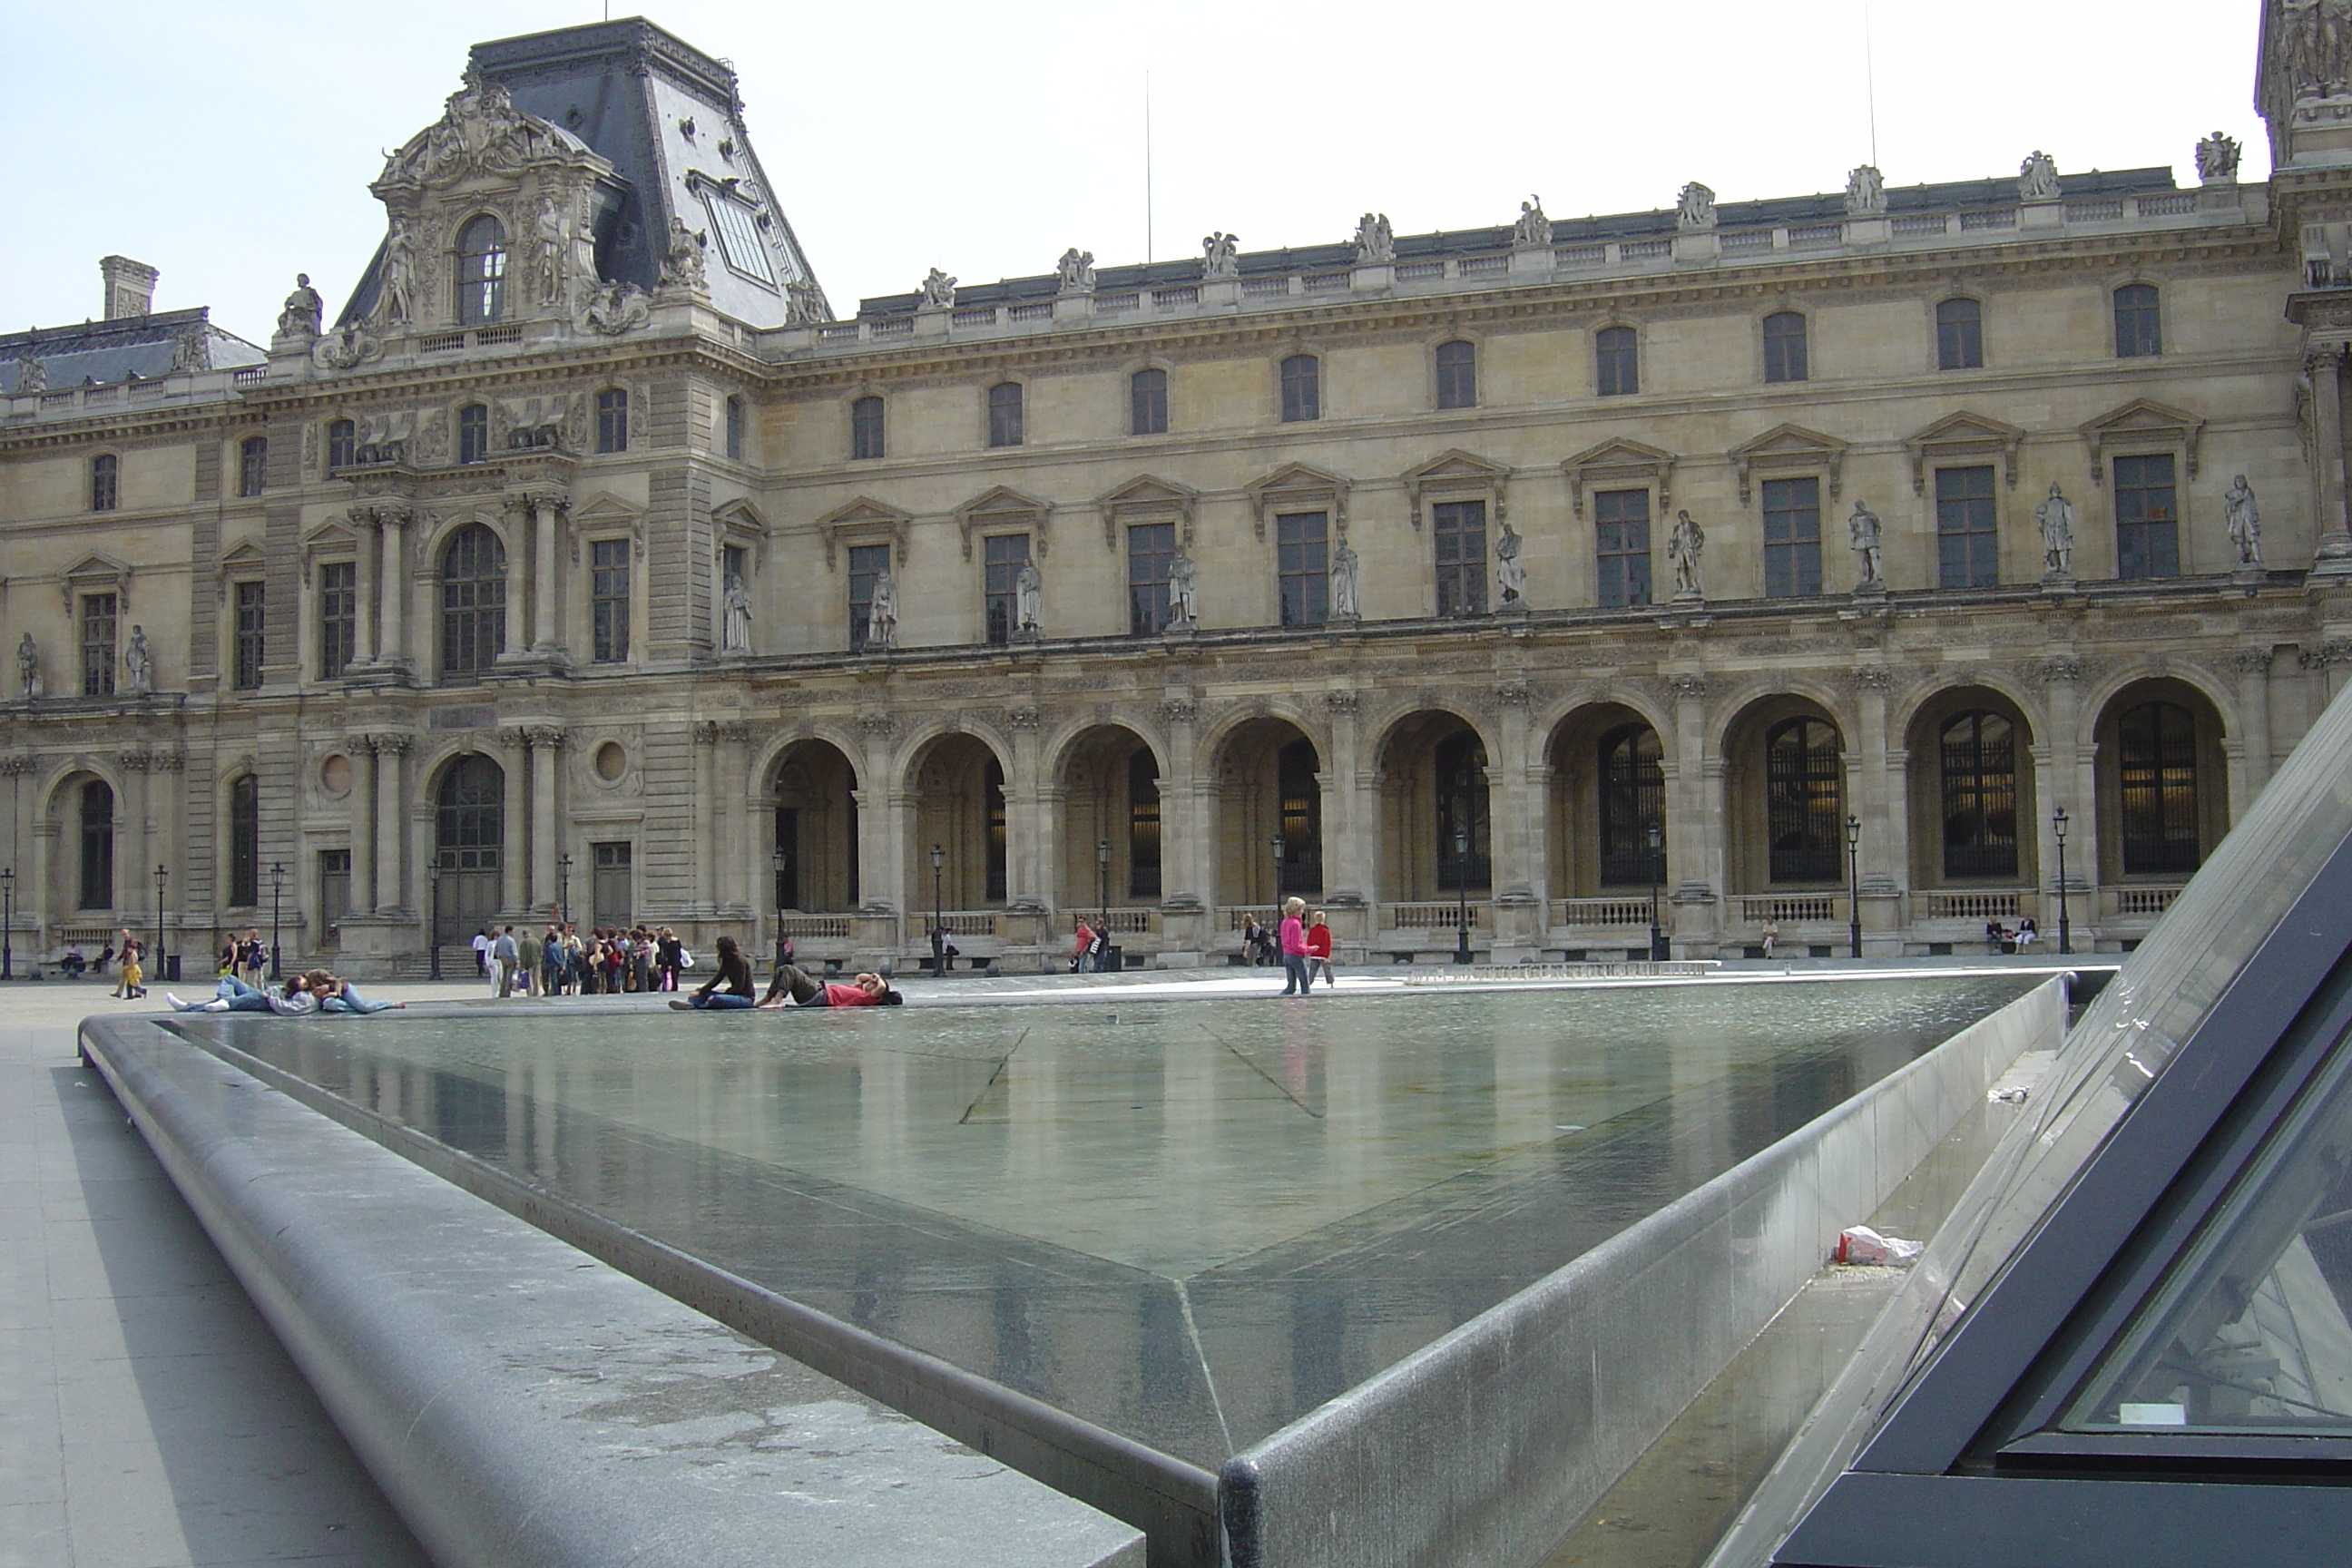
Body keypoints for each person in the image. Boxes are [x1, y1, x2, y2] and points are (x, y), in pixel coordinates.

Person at [756, 964, 904, 1008]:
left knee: (789, 970)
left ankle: (776, 1000)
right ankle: (768, 998)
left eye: (873, 984)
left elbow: (882, 987)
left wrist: (878, 978)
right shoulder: (859, 989)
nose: (870, 982)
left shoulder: (870, 998)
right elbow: (859, 976)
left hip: (821, 995)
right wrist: (871, 976)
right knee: (782, 970)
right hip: (819, 992)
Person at [671, 935, 757, 1009]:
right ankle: (691, 1003)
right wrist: (700, 991)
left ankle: (700, 1005)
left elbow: (739, 987)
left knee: (717, 999)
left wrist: (724, 995)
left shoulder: (740, 962)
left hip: (745, 998)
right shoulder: (727, 962)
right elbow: (716, 979)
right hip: (732, 995)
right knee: (704, 993)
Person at [167, 974, 319, 1015]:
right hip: (262, 993)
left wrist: (271, 998)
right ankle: (224, 1001)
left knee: (230, 1003)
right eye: (302, 979)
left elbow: (290, 1009)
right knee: (230, 979)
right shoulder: (297, 989)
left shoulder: (307, 998)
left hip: (264, 1000)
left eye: (304, 984)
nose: (301, 981)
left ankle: (188, 1007)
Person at [307, 970, 407, 1014]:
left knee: (364, 1007)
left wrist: (335, 993)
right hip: (336, 1000)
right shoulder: (310, 987)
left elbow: (339, 982)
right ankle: (355, 1007)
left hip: (345, 990)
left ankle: (388, 1004)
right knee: (329, 1003)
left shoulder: (333, 982)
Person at [1278, 897, 1310, 995]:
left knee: (1291, 987)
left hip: (1287, 956)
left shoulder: (1284, 922)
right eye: (1300, 909)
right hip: (1296, 956)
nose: (1302, 911)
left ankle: (1280, 1002)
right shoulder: (1296, 924)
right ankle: (1306, 1008)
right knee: (1305, 987)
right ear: (1295, 910)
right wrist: (1309, 949)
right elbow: (1296, 945)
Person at [1305, 909, 1336, 989]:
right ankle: (1331, 983)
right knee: (1327, 970)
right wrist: (1327, 956)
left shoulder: (1312, 930)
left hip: (1314, 953)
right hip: (1323, 954)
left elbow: (1309, 941)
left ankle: (1308, 984)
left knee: (1312, 970)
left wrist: (1310, 951)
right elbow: (1327, 943)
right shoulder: (1325, 931)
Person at [492, 925, 521, 998]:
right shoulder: (511, 940)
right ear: (510, 931)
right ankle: (507, 992)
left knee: (504, 975)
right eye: (512, 931)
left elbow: (496, 950)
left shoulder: (500, 939)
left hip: (502, 958)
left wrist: (499, 956)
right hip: (509, 958)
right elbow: (514, 952)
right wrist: (517, 961)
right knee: (509, 976)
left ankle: (502, 992)